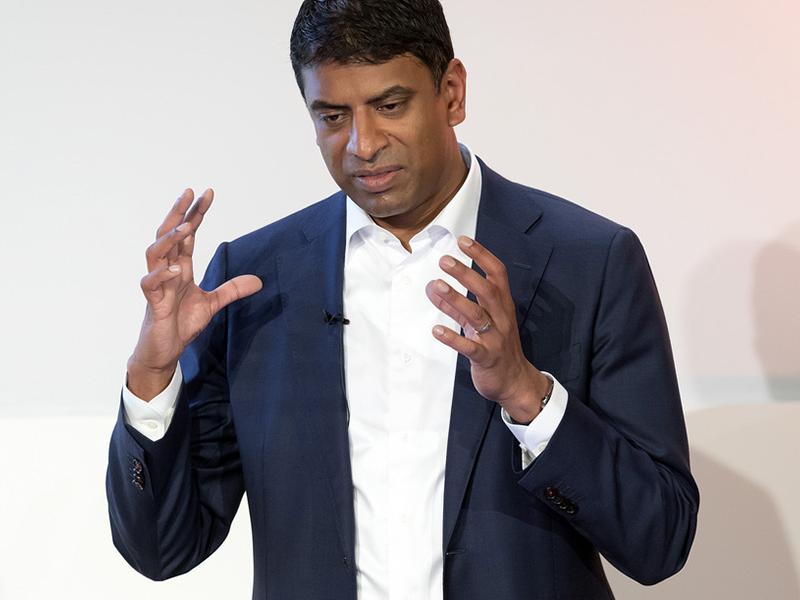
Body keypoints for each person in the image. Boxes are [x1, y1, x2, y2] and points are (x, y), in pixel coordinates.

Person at [106, 1, 699, 598]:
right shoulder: (255, 279)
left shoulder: (590, 261)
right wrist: (152, 376)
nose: (362, 144)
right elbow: (163, 549)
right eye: (333, 116)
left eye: (390, 106)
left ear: (452, 93)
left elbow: (661, 540)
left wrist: (527, 394)